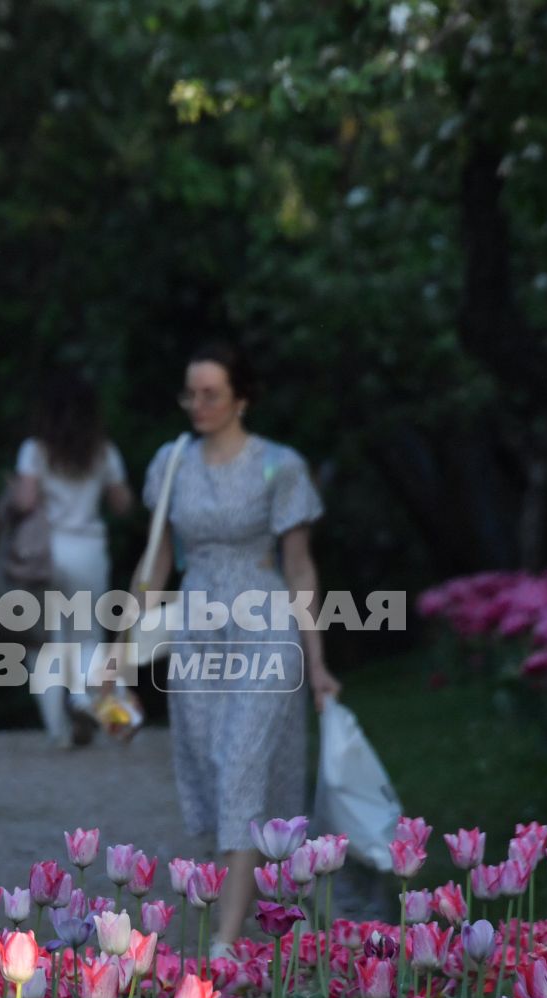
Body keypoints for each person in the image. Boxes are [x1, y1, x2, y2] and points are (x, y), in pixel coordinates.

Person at [138, 342, 341, 949]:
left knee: (240, 764)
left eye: (211, 394)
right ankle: (269, 905)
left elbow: (301, 568)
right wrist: (124, 655)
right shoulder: (170, 463)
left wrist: (318, 663)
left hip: (265, 624)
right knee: (210, 766)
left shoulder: (281, 466)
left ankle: (223, 942)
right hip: (197, 629)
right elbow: (154, 565)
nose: (197, 405)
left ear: (242, 398)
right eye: (190, 393)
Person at [11, 373, 133, 748]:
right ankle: (113, 715)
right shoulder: (103, 452)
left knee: (46, 643)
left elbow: (25, 502)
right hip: (89, 552)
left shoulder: (34, 450)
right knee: (88, 638)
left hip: (47, 554)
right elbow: (123, 504)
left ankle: (60, 730)